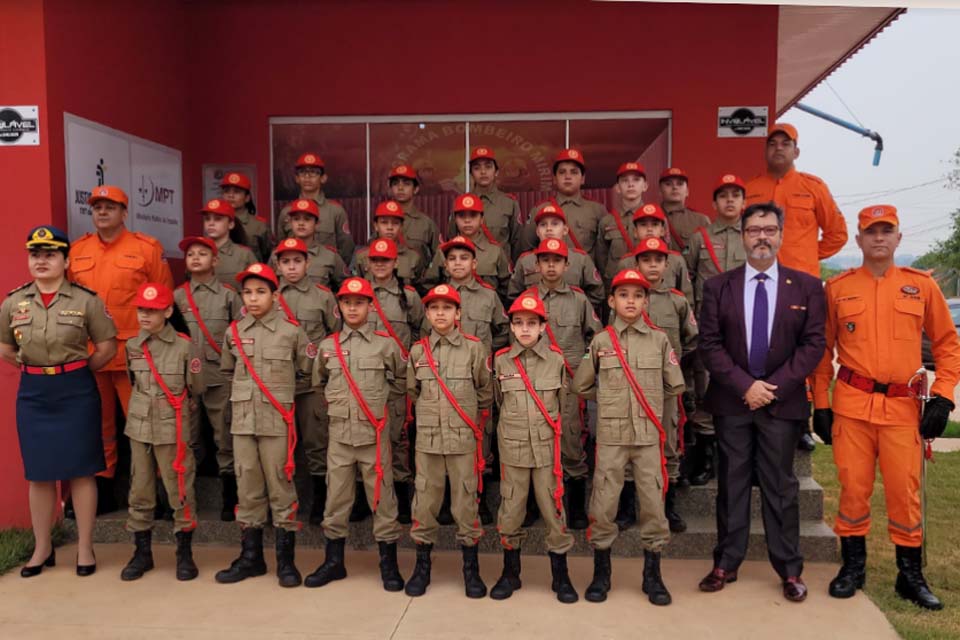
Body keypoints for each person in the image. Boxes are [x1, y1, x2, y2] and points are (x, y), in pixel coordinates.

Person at [812, 205, 960, 610]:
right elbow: (823, 351)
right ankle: (853, 567)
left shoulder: (921, 286)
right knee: (854, 489)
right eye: (870, 231)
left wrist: (944, 396)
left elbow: (948, 345)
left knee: (904, 492)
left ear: (898, 238)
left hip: (901, 408)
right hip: (852, 407)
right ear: (858, 240)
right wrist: (821, 404)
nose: (878, 238)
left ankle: (909, 575)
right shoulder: (838, 289)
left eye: (886, 231)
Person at [697, 202, 825, 603]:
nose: (762, 237)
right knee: (732, 485)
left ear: (781, 235)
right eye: (754, 231)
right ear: (742, 237)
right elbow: (710, 345)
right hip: (733, 402)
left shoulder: (806, 287)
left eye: (769, 229)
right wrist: (744, 386)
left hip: (781, 404)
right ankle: (725, 564)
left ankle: (789, 569)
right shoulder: (719, 286)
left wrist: (772, 387)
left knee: (781, 486)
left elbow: (813, 344)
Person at [1, 226, 117, 578]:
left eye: (50, 254)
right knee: (39, 474)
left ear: (66, 261)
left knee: (82, 471)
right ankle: (42, 548)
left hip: (76, 391)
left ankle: (84, 547)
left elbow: (108, 345)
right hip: (34, 395)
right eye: (35, 255)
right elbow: (5, 346)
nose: (41, 261)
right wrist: (29, 365)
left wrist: (78, 369)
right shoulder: (13, 301)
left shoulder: (86, 300)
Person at [572, 269, 684, 606]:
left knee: (652, 504)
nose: (631, 301)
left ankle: (653, 576)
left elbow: (673, 383)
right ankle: (601, 574)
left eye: (637, 295)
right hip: (611, 436)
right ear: (611, 301)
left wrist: (643, 403)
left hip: (648, 437)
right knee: (604, 504)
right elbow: (581, 384)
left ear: (646, 301)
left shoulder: (659, 339)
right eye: (624, 295)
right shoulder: (602, 341)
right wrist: (609, 401)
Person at [68, 185, 173, 513]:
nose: (102, 212)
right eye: (97, 206)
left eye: (110, 206)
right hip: (93, 352)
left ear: (124, 212)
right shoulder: (77, 250)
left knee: (148, 423)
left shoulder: (146, 249)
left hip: (136, 353)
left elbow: (163, 297)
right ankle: (102, 491)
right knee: (98, 425)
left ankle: (161, 493)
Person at [305, 277, 406, 592]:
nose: (352, 307)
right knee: (336, 500)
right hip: (339, 438)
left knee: (383, 501)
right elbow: (318, 384)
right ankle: (334, 562)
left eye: (359, 302)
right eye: (347, 302)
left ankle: (388, 564)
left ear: (370, 306)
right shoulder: (326, 347)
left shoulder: (385, 345)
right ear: (338, 307)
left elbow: (402, 382)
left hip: (374, 437)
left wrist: (383, 411)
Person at [215, 263, 313, 588]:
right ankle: (251, 558)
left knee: (281, 488)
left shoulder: (291, 332)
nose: (253, 299)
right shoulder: (234, 332)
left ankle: (286, 562)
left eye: (261, 292)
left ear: (275, 295)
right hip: (243, 423)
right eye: (247, 292)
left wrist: (281, 400)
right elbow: (228, 372)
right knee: (247, 489)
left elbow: (305, 373)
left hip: (276, 422)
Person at [405, 285, 493, 599]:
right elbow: (412, 393)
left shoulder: (473, 348)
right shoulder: (418, 352)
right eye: (434, 308)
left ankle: (471, 571)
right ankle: (422, 567)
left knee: (466, 504)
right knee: (425, 503)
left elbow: (485, 393)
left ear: (458, 314)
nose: (440, 313)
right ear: (426, 314)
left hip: (462, 441)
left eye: (447, 307)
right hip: (428, 442)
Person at [490, 293, 579, 603]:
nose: (525, 329)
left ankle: (561, 576)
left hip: (546, 453)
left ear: (543, 326)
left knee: (554, 512)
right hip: (513, 451)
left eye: (532, 323)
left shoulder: (556, 360)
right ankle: (510, 573)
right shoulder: (500, 360)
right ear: (511, 328)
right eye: (518, 323)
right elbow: (498, 403)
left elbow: (564, 406)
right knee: (511, 511)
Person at [121, 283, 204, 582]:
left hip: (172, 428)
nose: (144, 315)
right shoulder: (132, 345)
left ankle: (184, 554)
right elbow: (135, 384)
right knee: (140, 490)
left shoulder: (184, 346)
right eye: (141, 309)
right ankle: (141, 554)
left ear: (168, 311)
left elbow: (196, 388)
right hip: (140, 427)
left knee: (179, 491)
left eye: (152, 310)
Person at [522, 238, 602, 529]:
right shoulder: (528, 298)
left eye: (557, 260)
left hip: (569, 382)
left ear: (567, 265)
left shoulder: (580, 300)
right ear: (537, 265)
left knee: (571, 440)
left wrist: (582, 371)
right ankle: (533, 504)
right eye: (545, 260)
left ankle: (576, 506)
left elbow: (597, 339)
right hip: (534, 381)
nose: (551, 265)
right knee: (534, 440)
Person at [437, 234, 510, 523]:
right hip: (445, 381)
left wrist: (485, 355)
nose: (458, 263)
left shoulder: (488, 295)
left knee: (482, 435)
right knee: (444, 436)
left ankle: (477, 498)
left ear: (475, 262)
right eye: (452, 258)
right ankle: (446, 499)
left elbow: (503, 330)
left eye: (464, 257)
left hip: (477, 380)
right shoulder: (437, 296)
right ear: (445, 264)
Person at [682, 175, 747, 486]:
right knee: (705, 386)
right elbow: (688, 279)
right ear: (714, 203)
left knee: (743, 386)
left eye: (736, 195)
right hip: (709, 328)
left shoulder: (753, 236)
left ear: (743, 202)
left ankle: (738, 459)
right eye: (724, 196)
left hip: (745, 329)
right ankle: (705, 457)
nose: (730, 201)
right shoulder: (700, 238)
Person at [174, 236, 244, 521]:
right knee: (187, 438)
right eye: (191, 254)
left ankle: (230, 498)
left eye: (203, 253)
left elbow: (238, 336)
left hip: (219, 376)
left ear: (215, 261)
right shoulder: (177, 296)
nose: (196, 258)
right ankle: (185, 499)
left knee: (225, 435)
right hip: (187, 380)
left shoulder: (228, 295)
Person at [633, 237, 698, 534]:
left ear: (666, 264)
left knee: (668, 444)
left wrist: (674, 369)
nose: (652, 265)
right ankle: (631, 507)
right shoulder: (627, 298)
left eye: (657, 260)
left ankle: (667, 506)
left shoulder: (677, 300)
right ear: (637, 264)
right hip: (632, 386)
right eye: (646, 260)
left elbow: (691, 339)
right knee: (632, 443)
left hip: (666, 385)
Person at [274, 238, 341, 526]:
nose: (291, 267)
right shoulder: (270, 296)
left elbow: (336, 335)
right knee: (278, 445)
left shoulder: (323, 296)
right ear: (277, 265)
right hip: (277, 383)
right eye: (286, 261)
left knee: (316, 443)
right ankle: (281, 503)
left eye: (297, 261)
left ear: (307, 263)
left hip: (312, 383)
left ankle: (320, 503)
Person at [360, 238, 426, 524]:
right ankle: (364, 498)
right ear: (368, 262)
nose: (380, 265)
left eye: (385, 260)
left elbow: (421, 332)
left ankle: (398, 498)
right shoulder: (358, 294)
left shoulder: (407, 296)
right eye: (375, 260)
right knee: (363, 438)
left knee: (398, 438)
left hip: (397, 379)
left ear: (395, 263)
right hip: (363, 378)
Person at [745, 123, 847, 278]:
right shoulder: (749, 189)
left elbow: (837, 234)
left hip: (802, 278)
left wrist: (807, 255)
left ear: (796, 152)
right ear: (765, 152)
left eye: (785, 144)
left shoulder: (814, 187)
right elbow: (736, 232)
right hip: (758, 276)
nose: (778, 148)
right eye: (772, 144)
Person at [518, 149, 608, 275]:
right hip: (547, 280)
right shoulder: (539, 209)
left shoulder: (597, 210)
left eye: (574, 172)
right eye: (562, 172)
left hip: (583, 281)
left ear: (582, 179)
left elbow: (603, 254)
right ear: (554, 178)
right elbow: (526, 248)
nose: (567, 176)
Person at [509, 204, 605, 309]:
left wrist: (578, 313)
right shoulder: (525, 261)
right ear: (537, 231)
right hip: (536, 320)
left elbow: (597, 294)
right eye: (543, 225)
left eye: (555, 224)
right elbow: (514, 297)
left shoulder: (581, 260)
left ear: (565, 230)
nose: (549, 229)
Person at [427, 194, 511, 300]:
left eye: (473, 215)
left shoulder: (495, 251)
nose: (467, 220)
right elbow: (430, 285)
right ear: (455, 219)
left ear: (482, 219)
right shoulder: (443, 251)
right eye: (462, 216)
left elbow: (506, 288)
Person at [277, 153, 355, 265]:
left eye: (313, 172)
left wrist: (332, 269)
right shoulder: (287, 212)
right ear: (297, 178)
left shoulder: (335, 211)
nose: (307, 177)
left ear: (323, 178)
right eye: (303, 172)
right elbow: (281, 246)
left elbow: (346, 247)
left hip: (326, 275)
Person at [618, 203, 694, 306]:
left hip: (669, 318)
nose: (649, 229)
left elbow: (687, 299)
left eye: (654, 224)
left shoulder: (676, 261)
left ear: (662, 230)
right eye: (643, 225)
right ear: (635, 232)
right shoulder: (626, 263)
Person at [457, 147, 522, 259]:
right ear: (471, 173)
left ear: (496, 172)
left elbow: (517, 242)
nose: (483, 172)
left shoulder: (509, 203)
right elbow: (453, 237)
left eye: (488, 167)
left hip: (499, 272)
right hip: (467, 270)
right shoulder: (460, 204)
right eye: (477, 168)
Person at [269, 199, 348, 290]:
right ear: (290, 223)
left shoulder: (330, 256)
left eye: (307, 219)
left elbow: (346, 287)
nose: (301, 223)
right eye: (296, 219)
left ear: (317, 224)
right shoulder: (276, 255)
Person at [353, 200, 426, 287]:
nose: (390, 227)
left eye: (395, 223)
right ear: (376, 226)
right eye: (384, 222)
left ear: (401, 227)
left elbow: (419, 289)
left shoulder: (413, 256)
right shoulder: (362, 256)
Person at [599, 162, 649, 288]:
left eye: (636, 180)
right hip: (616, 286)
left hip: (648, 285)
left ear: (645, 186)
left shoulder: (656, 220)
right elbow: (601, 260)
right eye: (625, 180)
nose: (631, 184)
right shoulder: (607, 221)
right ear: (617, 188)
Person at [389, 165, 439, 267]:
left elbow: (439, 258)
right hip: (386, 280)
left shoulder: (426, 224)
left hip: (418, 281)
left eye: (406, 184)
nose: (400, 188)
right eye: (395, 184)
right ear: (391, 189)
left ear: (415, 189)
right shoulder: (383, 220)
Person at [200, 198, 257, 287]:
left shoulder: (244, 255)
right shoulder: (196, 253)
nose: (211, 223)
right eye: (207, 219)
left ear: (231, 224)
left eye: (217, 219)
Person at [220, 171, 273, 263]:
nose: (231, 196)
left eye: (237, 192)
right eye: (227, 191)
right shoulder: (215, 223)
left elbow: (269, 257)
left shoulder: (258, 226)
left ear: (247, 197)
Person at [659, 167, 710, 253]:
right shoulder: (650, 217)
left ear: (687, 191)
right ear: (660, 191)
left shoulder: (701, 220)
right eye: (668, 184)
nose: (674, 187)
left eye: (680, 184)